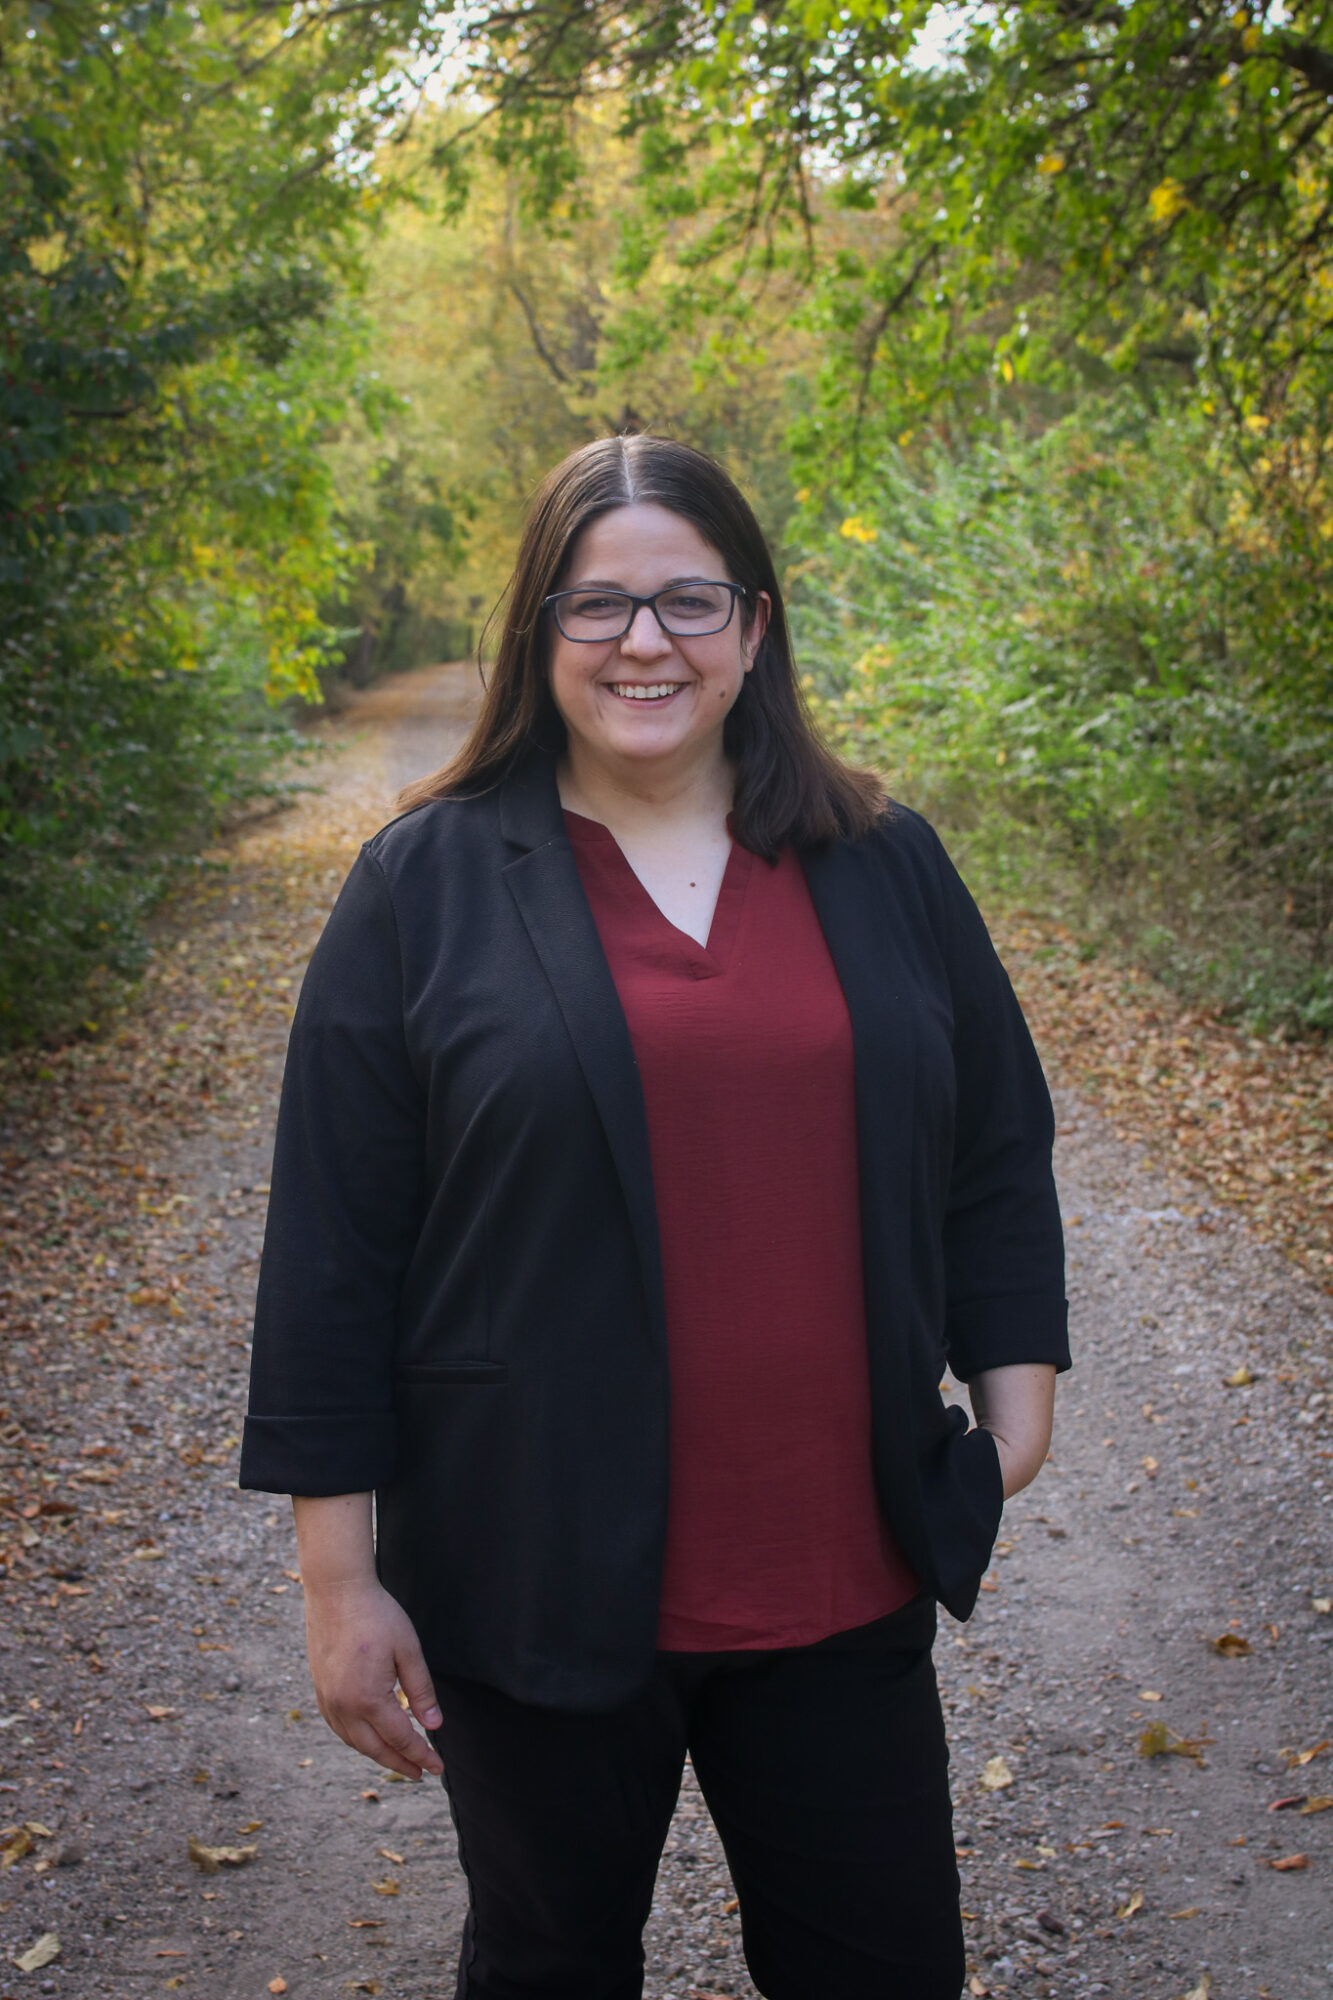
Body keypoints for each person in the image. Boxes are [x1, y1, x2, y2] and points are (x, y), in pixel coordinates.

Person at [240, 433, 1069, 2000]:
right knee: (547, 1965)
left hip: (839, 1567)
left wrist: (1012, 1419)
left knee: (885, 1969)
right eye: (597, 604)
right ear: (538, 631)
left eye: (688, 601)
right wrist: (337, 1585)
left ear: (753, 627)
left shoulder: (880, 861)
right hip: (529, 1565)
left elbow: (994, 1145)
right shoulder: (423, 885)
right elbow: (333, 1249)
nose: (644, 642)